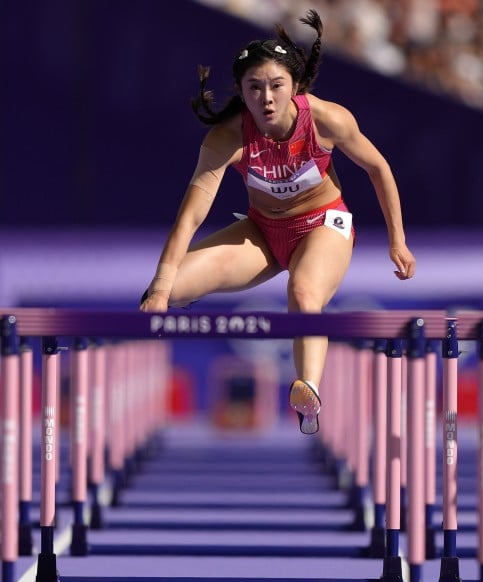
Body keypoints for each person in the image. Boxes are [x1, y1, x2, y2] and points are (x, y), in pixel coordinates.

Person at [140, 10, 416, 436]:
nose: (266, 98)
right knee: (169, 287)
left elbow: (379, 169)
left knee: (303, 291)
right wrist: (160, 291)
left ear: (295, 87)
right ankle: (180, 294)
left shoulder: (327, 120)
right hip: (263, 232)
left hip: (325, 224)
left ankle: (308, 390)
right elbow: (190, 215)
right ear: (241, 92)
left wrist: (397, 241)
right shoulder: (226, 138)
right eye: (254, 88)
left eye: (276, 86)